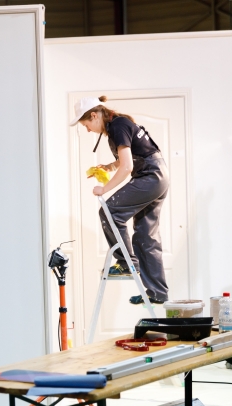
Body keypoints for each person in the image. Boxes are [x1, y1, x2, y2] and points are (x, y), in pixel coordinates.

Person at [71, 96, 169, 305]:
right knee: (146, 234)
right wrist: (109, 166)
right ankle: (157, 292)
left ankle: (126, 264)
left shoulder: (118, 125)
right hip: (158, 175)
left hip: (150, 176)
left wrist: (104, 189)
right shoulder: (119, 124)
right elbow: (129, 157)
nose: (87, 130)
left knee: (109, 212)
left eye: (86, 124)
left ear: (94, 116)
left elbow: (127, 167)